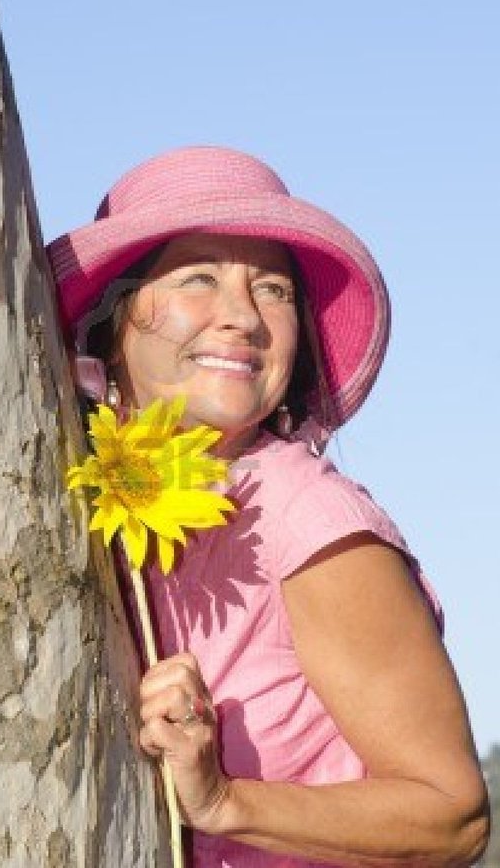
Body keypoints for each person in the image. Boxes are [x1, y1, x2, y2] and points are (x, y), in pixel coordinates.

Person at [47, 146, 489, 867]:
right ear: (114, 320)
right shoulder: (73, 493)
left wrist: (224, 800)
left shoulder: (311, 523)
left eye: (274, 290)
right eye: (198, 277)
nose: (244, 318)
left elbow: (452, 815)